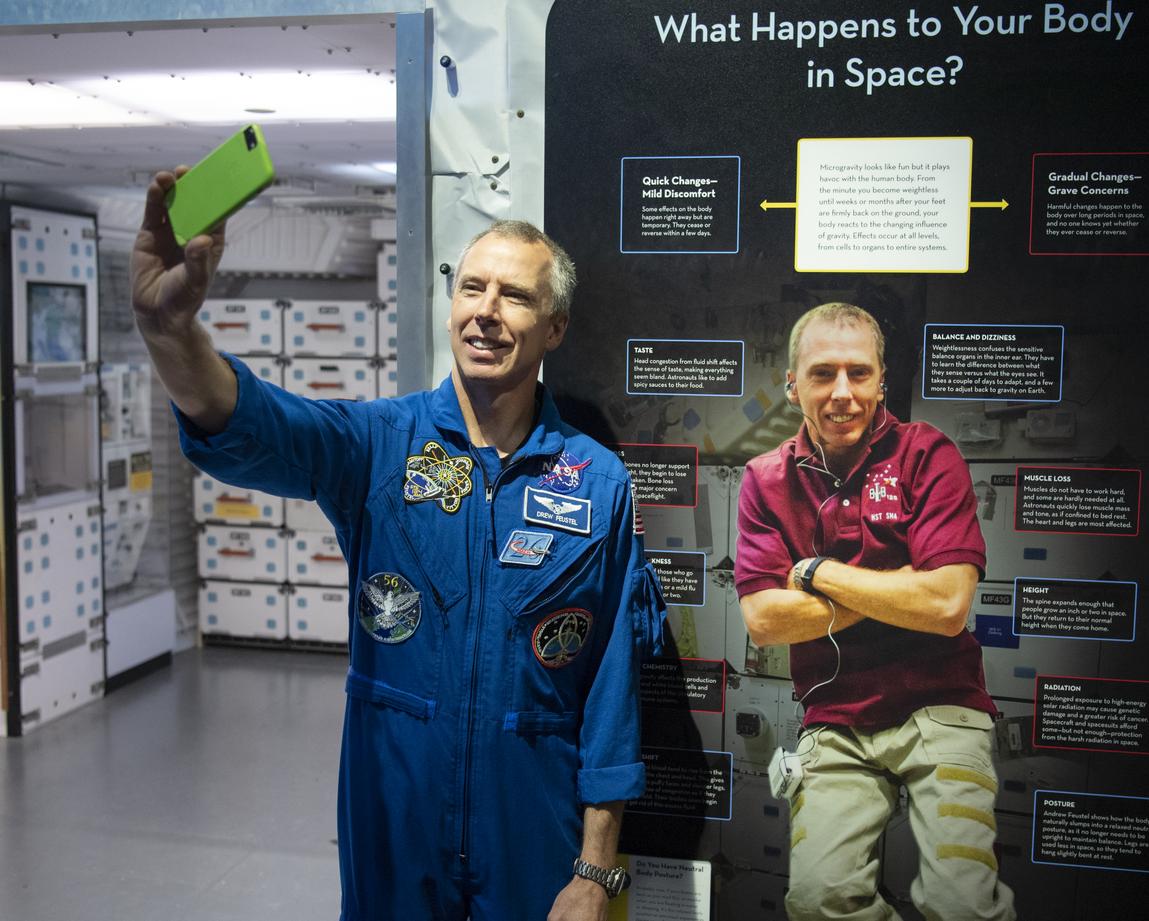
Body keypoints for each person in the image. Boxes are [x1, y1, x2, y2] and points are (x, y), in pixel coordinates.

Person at [130, 168, 666, 921]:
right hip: (395, 827)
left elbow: (612, 689)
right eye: (472, 288)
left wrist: (595, 870)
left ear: (555, 328)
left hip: (531, 834)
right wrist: (168, 331)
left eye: (515, 296)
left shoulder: (597, 482)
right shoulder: (380, 445)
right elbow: (249, 422)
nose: (486, 311)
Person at [734, 303, 1015, 921]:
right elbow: (765, 621)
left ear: (882, 381)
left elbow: (947, 606)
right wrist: (901, 587)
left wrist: (815, 573)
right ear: (792, 385)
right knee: (818, 902)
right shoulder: (765, 478)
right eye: (823, 374)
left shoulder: (927, 455)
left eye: (859, 373)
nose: (843, 393)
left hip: (941, 706)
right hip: (835, 717)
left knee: (962, 905)